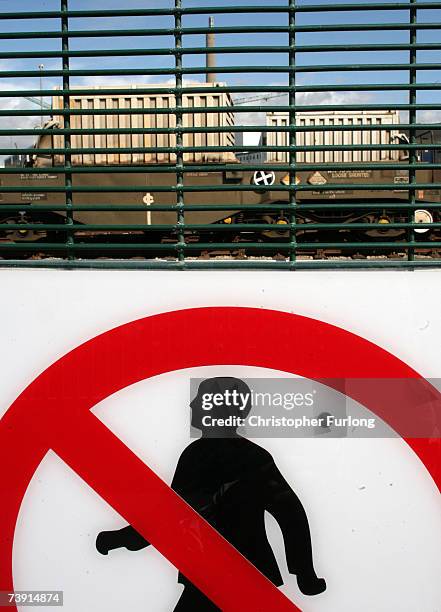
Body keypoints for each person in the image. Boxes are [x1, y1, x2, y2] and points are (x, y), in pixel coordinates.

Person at [96, 377, 326, 610]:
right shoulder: (249, 456)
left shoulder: (204, 456)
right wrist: (304, 572)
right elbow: (290, 514)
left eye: (200, 398)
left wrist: (126, 539)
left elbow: (170, 514)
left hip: (227, 577)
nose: (192, 404)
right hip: (235, 576)